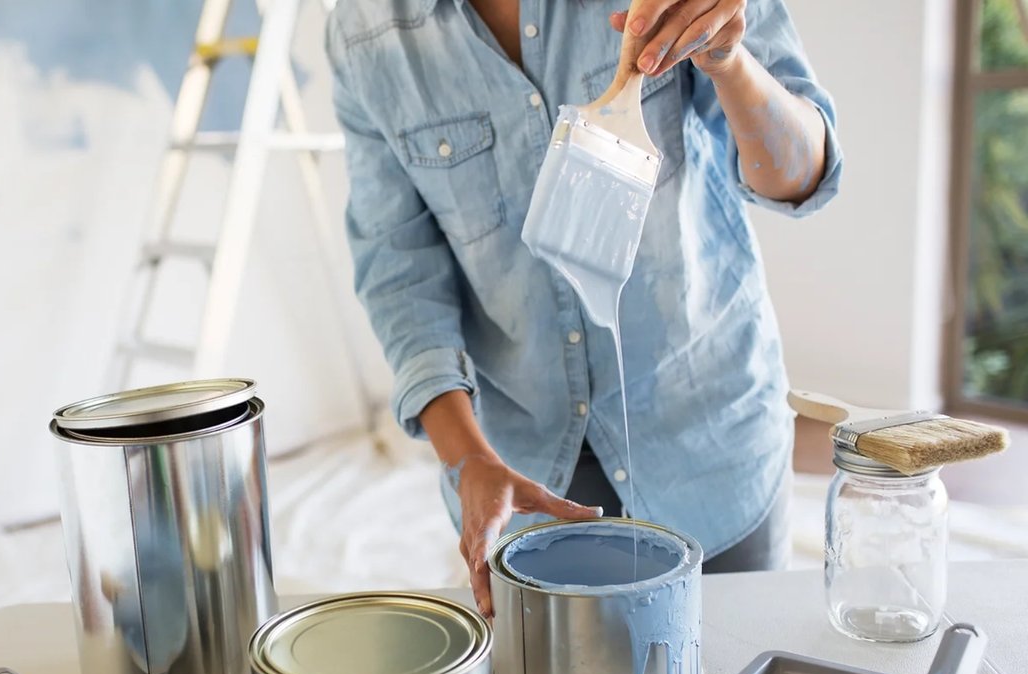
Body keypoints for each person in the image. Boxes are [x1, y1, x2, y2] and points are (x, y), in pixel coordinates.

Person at [325, 0, 842, 617]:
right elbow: (399, 270)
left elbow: (804, 175)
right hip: (527, 479)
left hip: (711, 447)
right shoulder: (363, 34)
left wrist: (729, 60)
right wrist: (467, 458)